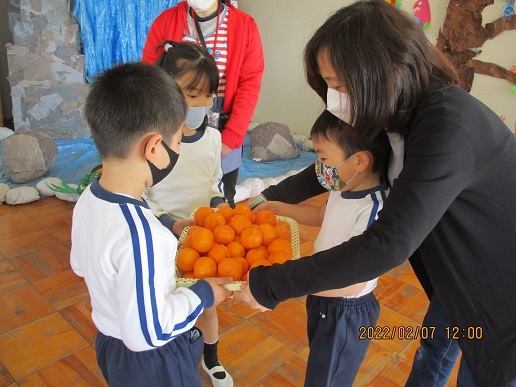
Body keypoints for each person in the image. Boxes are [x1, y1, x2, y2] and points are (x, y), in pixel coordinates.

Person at [235, 1, 516, 386]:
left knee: (480, 368)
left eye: (338, 84)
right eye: (328, 85)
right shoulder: (392, 109)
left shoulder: (448, 126)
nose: (334, 98)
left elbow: (386, 246)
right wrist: (260, 201)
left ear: (380, 72)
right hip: (453, 275)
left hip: (499, 297)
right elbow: (328, 171)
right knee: (434, 352)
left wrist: (270, 284)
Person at [70, 62, 232, 386]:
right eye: (176, 143)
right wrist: (202, 293)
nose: (176, 149)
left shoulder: (90, 198)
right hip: (154, 361)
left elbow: (80, 264)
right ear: (155, 147)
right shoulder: (143, 236)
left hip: (110, 344)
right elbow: (149, 332)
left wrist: (170, 227)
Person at [257, 110, 389, 386]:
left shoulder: (373, 210)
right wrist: (280, 207)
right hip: (322, 295)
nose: (319, 167)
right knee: (320, 364)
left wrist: (295, 284)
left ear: (360, 160)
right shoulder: (344, 186)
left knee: (327, 378)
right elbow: (321, 216)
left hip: (347, 310)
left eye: (324, 158)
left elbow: (353, 284)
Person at [144, 40, 233, 387]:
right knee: (169, 305)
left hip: (204, 241)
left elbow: (215, 182)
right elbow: (143, 196)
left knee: (206, 302)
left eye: (208, 96)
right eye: (191, 94)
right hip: (162, 239)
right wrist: (171, 223)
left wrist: (218, 205)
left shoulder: (212, 138)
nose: (201, 105)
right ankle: (178, 359)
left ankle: (211, 358)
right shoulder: (152, 142)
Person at [142, 0, 264, 208]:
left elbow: (249, 84)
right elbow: (150, 77)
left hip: (223, 130)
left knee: (221, 194)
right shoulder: (166, 21)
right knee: (174, 188)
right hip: (174, 128)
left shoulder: (244, 25)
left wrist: (232, 136)